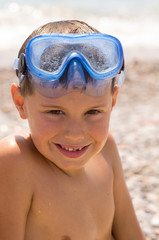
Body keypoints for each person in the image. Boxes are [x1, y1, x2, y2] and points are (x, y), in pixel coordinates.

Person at [0, 20, 146, 240]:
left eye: (93, 112)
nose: (75, 133)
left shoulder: (107, 150)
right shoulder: (16, 161)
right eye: (55, 112)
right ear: (20, 102)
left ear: (113, 100)